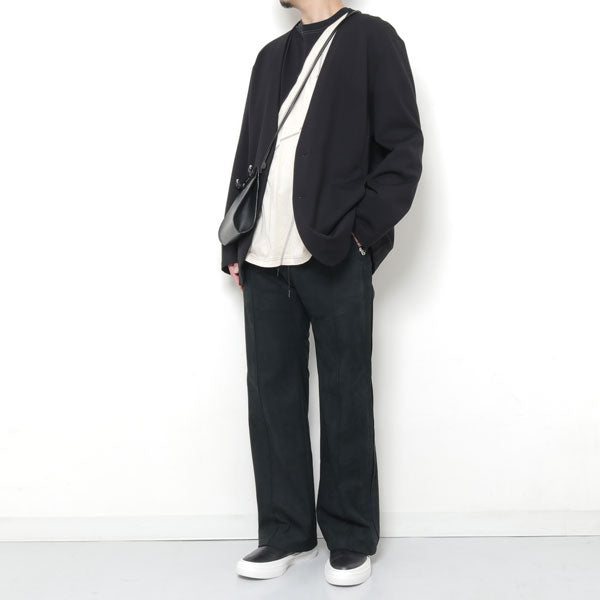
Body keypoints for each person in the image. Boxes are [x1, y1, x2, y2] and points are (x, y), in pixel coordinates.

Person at [220, 0, 423, 587]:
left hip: (333, 249)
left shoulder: (372, 40)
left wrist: (361, 234)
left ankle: (351, 537)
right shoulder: (271, 58)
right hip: (263, 255)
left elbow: (402, 150)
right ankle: (285, 532)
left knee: (345, 394)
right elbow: (247, 154)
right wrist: (233, 241)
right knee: (272, 399)